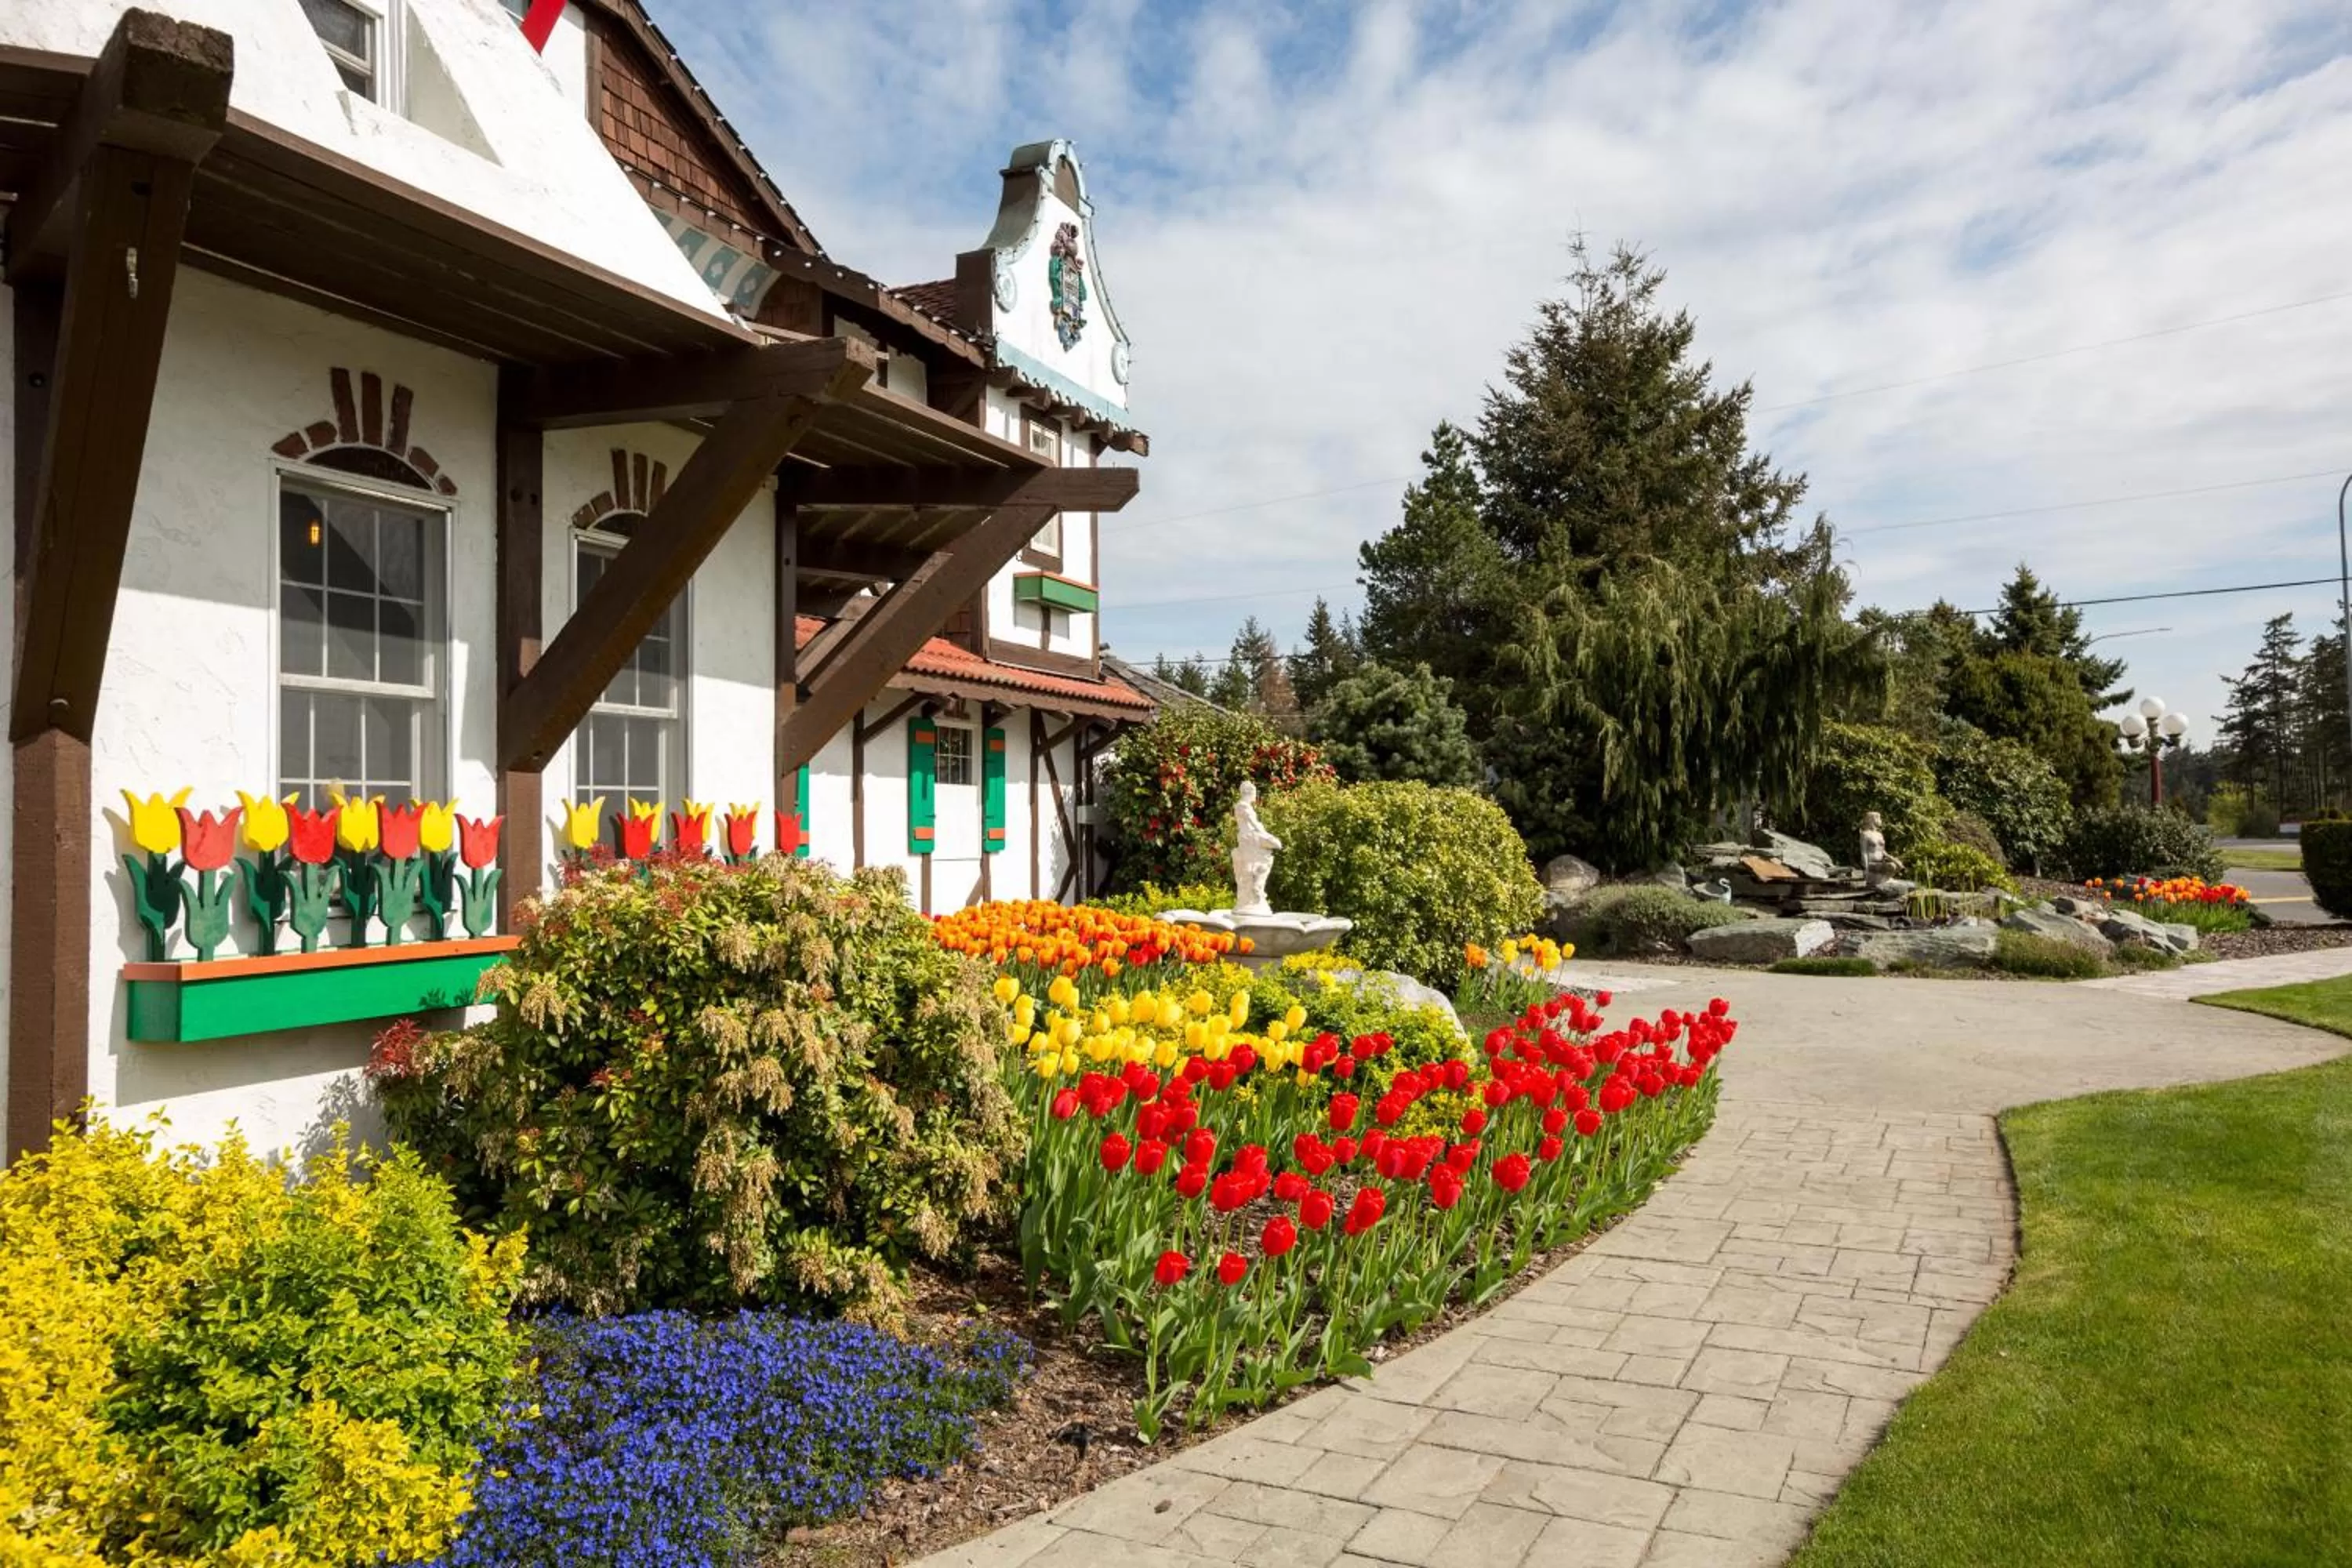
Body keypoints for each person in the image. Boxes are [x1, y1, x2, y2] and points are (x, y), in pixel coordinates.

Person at [1232, 781, 1281, 914]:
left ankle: (1256, 889)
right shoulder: (1243, 806)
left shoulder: (1243, 806)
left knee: (1262, 861)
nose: (1255, 796)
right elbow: (1254, 824)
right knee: (1258, 861)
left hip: (1249, 837)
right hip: (1250, 838)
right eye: (1254, 793)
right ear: (1249, 792)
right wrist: (1267, 836)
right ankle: (1254, 892)